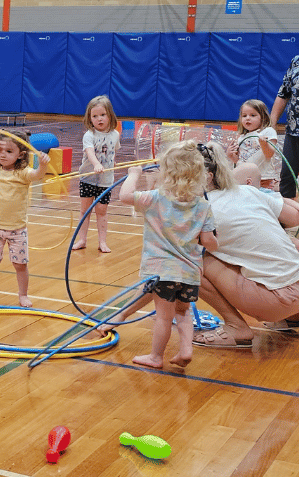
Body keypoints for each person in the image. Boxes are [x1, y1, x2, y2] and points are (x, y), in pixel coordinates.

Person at [101, 143, 299, 346]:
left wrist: (121, 314)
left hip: (276, 301)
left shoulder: (196, 212)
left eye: (174, 175)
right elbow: (294, 219)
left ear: (206, 177)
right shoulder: (248, 191)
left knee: (187, 260)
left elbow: (165, 272)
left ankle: (236, 327)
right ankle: (294, 317)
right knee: (290, 243)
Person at [118, 142, 217, 369]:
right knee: (182, 312)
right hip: (190, 272)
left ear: (167, 173)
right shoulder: (203, 206)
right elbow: (210, 242)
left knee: (163, 317)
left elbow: (125, 195)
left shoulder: (155, 198)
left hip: (162, 271)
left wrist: (133, 174)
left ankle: (155, 357)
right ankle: (186, 350)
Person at [0, 131, 50, 308]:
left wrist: (42, 165)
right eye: (0, 150)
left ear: (21, 155)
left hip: (17, 230)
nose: (2, 154)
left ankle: (23, 295)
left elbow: (38, 175)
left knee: (20, 265)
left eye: (9, 151)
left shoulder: (23, 173)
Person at [72, 95, 120, 252]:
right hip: (88, 178)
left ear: (110, 115)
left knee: (102, 211)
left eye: (103, 115)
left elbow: (113, 152)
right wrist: (96, 164)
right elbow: (90, 153)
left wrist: (112, 164)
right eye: (95, 116)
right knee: (85, 211)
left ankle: (102, 242)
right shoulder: (89, 135)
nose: (99, 119)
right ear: (89, 118)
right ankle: (82, 240)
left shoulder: (115, 135)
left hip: (105, 181)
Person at [229, 99, 279, 189]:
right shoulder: (241, 137)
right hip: (243, 178)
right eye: (244, 116)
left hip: (263, 179)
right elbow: (239, 161)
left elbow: (269, 154)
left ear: (263, 117)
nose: (248, 118)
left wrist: (263, 144)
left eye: (253, 115)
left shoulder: (268, 132)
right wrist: (231, 155)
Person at [270, 55, 299, 199]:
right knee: (287, 176)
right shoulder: (296, 61)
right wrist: (272, 122)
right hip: (294, 132)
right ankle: (287, 219)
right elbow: (283, 93)